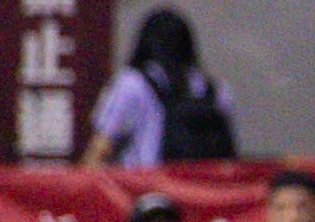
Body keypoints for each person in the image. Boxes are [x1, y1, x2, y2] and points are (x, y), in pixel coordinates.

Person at [80, 9, 233, 168]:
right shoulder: (215, 91)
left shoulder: (132, 83)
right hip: (204, 182)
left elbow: (100, 148)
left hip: (150, 180)